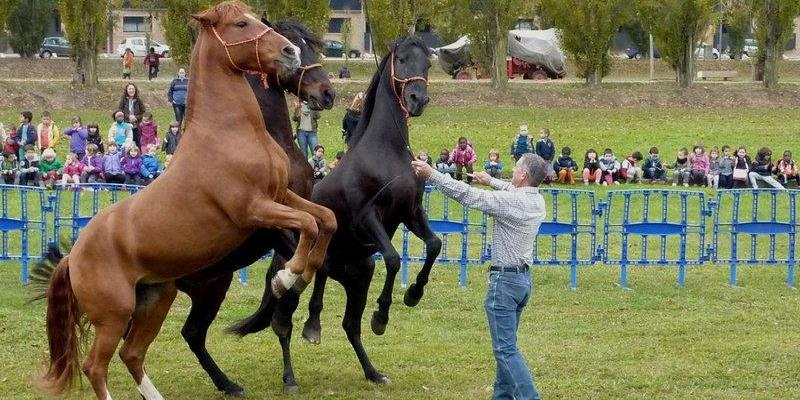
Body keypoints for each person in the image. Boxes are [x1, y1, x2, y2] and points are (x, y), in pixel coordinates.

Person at [410, 153, 547, 400]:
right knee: (507, 349)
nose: (512, 172)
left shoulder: (511, 203)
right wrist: (490, 180)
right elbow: (510, 189)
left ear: (523, 175)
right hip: (522, 283)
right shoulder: (536, 200)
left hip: (504, 284)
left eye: (516, 168)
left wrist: (433, 176)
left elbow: (469, 196)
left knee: (506, 351)